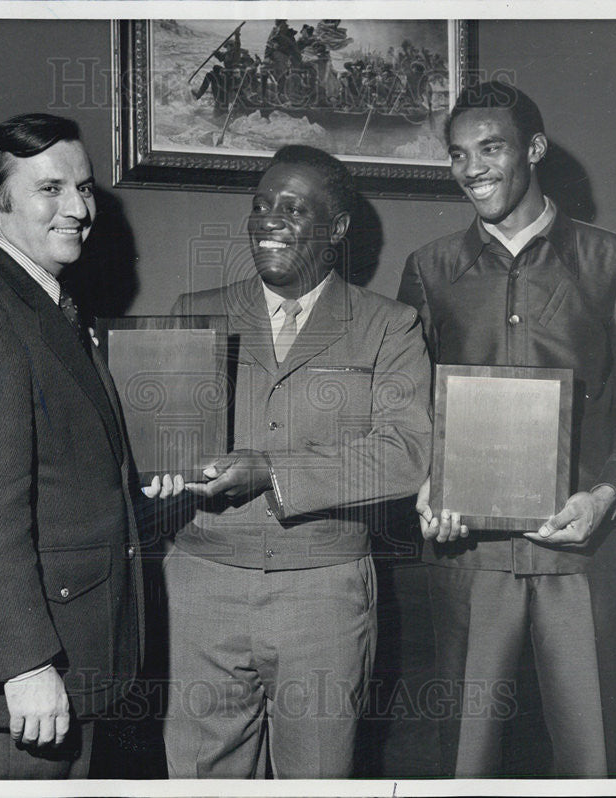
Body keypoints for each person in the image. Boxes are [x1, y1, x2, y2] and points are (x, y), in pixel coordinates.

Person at [397, 82, 616, 777]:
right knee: (461, 765)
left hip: (579, 557)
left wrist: (605, 496)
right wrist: (425, 481)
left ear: (534, 150)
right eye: (458, 154)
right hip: (467, 561)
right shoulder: (430, 269)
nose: (472, 169)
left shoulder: (613, 261)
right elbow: (404, 409)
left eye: (490, 148)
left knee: (591, 764)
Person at [0, 113, 180, 779]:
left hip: (68, 661)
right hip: (22, 686)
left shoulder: (37, 303)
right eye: (50, 190)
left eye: (83, 188)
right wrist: (24, 664)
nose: (79, 209)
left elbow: (56, 470)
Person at [163, 145, 431, 778]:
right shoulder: (192, 310)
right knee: (200, 777)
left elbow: (405, 454)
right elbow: (162, 442)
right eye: (260, 205)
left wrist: (275, 470)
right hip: (202, 584)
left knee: (317, 777)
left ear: (337, 229)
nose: (269, 220)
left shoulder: (389, 325)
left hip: (323, 592)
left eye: (293, 207)